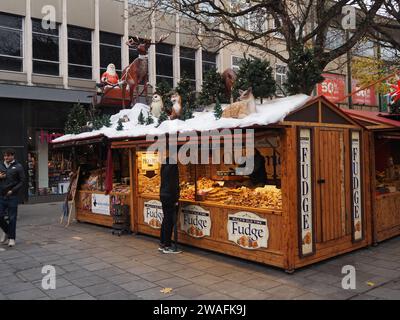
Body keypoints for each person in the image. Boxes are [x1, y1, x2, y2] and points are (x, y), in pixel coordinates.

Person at [0, 149, 25, 247]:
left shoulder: (18, 167)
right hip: (1, 195)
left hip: (12, 196)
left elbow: (22, 181)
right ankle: (7, 232)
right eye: (4, 156)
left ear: (12, 156)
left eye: (7, 156)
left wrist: (13, 190)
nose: (5, 158)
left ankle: (11, 239)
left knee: (12, 218)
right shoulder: (1, 165)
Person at [159, 156, 181, 254]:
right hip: (170, 196)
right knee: (170, 221)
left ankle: (163, 243)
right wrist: (176, 198)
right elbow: (173, 184)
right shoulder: (173, 167)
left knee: (165, 219)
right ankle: (167, 246)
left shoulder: (164, 166)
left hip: (163, 195)